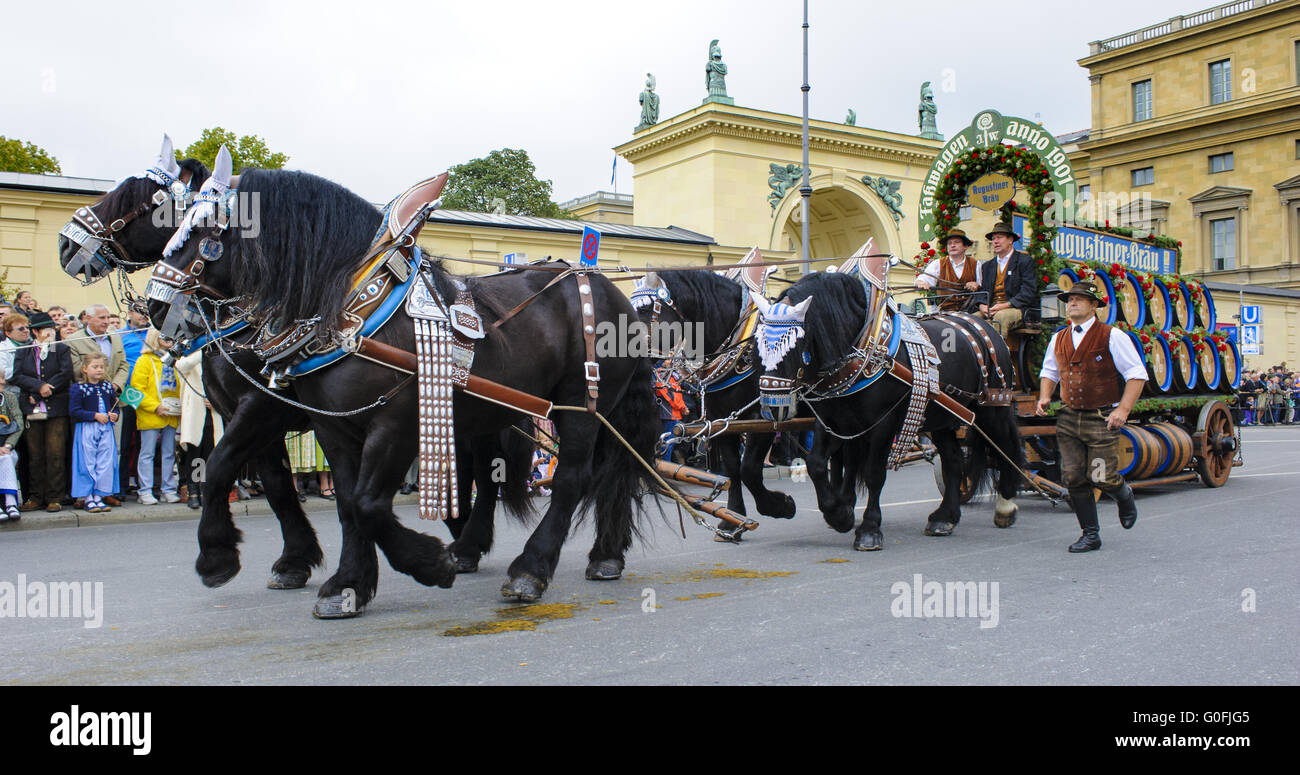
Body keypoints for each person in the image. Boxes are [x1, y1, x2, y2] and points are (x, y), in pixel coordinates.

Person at [1035, 280, 1147, 553]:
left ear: (1094, 305)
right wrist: (1045, 396)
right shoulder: (1058, 337)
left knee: (1100, 476)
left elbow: (1136, 374)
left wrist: (1122, 410)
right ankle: (1090, 534)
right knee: (1073, 478)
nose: (1072, 303)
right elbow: (1049, 372)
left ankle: (1123, 493)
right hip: (1069, 417)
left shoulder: (1112, 335)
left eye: (1079, 299)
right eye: (1070, 299)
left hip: (1100, 418)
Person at [65, 304, 128, 506]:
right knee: (87, 454)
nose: (106, 321)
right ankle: (85, 493)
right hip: (88, 405)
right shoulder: (74, 340)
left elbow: (123, 365)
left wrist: (115, 385)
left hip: (112, 398)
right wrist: (97, 378)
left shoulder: (115, 337)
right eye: (101, 317)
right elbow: (75, 370)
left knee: (111, 450)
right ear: (87, 319)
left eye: (107, 317)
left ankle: (104, 490)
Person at [10, 312, 73, 513]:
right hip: (31, 410)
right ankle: (35, 496)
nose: (50, 333)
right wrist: (38, 387)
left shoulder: (61, 349)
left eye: (52, 329)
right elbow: (17, 376)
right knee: (35, 455)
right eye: (46, 330)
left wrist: (45, 389)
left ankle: (55, 497)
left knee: (55, 453)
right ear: (36, 332)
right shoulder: (24, 351)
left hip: (57, 408)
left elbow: (65, 373)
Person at [129, 329, 181, 504]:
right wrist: (154, 406)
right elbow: (135, 390)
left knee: (169, 453)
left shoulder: (174, 360)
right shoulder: (144, 361)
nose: (169, 340)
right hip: (151, 413)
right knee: (147, 453)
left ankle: (168, 488)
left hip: (171, 412)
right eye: (164, 337)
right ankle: (145, 490)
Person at [69, 352, 119, 513]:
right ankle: (88, 496)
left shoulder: (106, 386)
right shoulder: (78, 388)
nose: (99, 370)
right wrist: (94, 415)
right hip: (87, 428)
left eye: (101, 367)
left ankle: (99, 495)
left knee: (105, 461)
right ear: (85, 369)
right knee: (87, 461)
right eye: (95, 367)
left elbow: (114, 404)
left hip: (105, 428)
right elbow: (74, 411)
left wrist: (114, 414)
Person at [176, 349, 222, 509]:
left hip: (211, 413)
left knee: (208, 453)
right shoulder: (190, 356)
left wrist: (216, 400)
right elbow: (181, 366)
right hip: (195, 412)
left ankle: (203, 489)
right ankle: (192, 491)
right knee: (195, 453)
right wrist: (201, 352)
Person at [976, 222, 1037, 336]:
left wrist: (1005, 305)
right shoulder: (987, 266)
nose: (995, 241)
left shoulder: (1024, 261)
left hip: (1016, 308)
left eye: (999, 237)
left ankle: (998, 353)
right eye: (993, 239)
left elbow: (1028, 292)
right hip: (992, 308)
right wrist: (982, 305)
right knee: (971, 319)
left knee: (1000, 317)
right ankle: (976, 353)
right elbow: (982, 291)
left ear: (1010, 240)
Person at [116, 303, 151, 498]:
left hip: (150, 395)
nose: (144, 316)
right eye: (140, 312)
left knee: (146, 443)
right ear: (129, 313)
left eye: (147, 312)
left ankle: (144, 484)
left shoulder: (153, 335)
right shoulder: (120, 335)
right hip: (129, 393)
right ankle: (122, 485)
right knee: (125, 441)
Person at [915, 228, 981, 312]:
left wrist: (976, 285)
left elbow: (983, 286)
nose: (952, 245)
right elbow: (924, 279)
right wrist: (921, 283)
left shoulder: (975, 264)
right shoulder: (938, 264)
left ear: (965, 246)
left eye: (956, 242)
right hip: (946, 311)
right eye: (949, 243)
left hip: (970, 311)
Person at [0, 371, 25, 521]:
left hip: (6, 446)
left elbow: (19, 423)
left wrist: (8, 445)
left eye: (3, 378)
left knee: (7, 457)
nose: (3, 382)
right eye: (0, 379)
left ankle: (10, 503)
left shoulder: (9, 397)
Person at [654, 367, 687, 462]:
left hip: (671, 414)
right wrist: (683, 407)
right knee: (668, 442)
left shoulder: (669, 375)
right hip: (669, 414)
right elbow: (671, 397)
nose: (670, 361)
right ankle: (665, 465)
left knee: (669, 442)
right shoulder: (662, 376)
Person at [1, 312, 31, 383]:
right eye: (21, 329)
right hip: (12, 389)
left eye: (27, 327)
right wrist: (27, 367)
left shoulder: (35, 344)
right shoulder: (3, 349)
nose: (26, 331)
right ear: (8, 333)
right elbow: (3, 374)